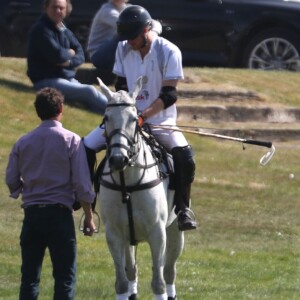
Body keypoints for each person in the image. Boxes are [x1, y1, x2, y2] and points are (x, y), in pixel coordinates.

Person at [84, 5, 197, 231]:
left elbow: (170, 94)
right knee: (85, 146)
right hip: (126, 120)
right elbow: (123, 86)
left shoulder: (169, 51)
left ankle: (183, 209)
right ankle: (88, 203)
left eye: (132, 37)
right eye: (125, 37)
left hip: (161, 121)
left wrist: (143, 117)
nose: (129, 42)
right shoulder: (123, 48)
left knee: (185, 156)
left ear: (146, 30)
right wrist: (126, 115)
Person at [5, 87, 96, 300]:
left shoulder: (23, 142)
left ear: (38, 111)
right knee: (64, 278)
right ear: (61, 108)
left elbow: (11, 179)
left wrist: (21, 188)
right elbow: (82, 184)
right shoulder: (72, 141)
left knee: (29, 278)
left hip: (32, 215)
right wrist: (89, 218)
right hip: (59, 215)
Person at [27, 0, 107, 114]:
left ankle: (117, 116)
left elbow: (80, 54)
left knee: (94, 95)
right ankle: (124, 115)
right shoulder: (41, 29)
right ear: (46, 8)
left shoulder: (62, 28)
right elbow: (58, 55)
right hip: (46, 81)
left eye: (61, 8)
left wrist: (68, 62)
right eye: (54, 7)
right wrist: (70, 52)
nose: (58, 11)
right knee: (89, 91)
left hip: (66, 79)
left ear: (67, 10)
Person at [87, 0, 162, 73]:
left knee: (139, 35)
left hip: (113, 49)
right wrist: (149, 32)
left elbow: (154, 23)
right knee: (129, 34)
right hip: (98, 54)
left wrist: (153, 33)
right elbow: (131, 26)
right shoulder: (107, 11)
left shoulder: (129, 9)